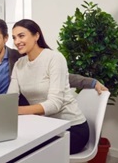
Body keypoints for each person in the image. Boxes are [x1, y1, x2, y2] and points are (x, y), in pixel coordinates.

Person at [0, 18, 108, 102]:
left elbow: (57, 76)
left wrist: (91, 82)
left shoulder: (20, 58)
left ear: (5, 38)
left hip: (17, 113)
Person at [7, 19, 89, 154]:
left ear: (36, 36)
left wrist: (17, 110)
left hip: (71, 128)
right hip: (44, 126)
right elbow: (10, 97)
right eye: (14, 38)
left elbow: (54, 104)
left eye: (21, 36)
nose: (17, 42)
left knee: (23, 151)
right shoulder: (19, 64)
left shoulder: (54, 58)